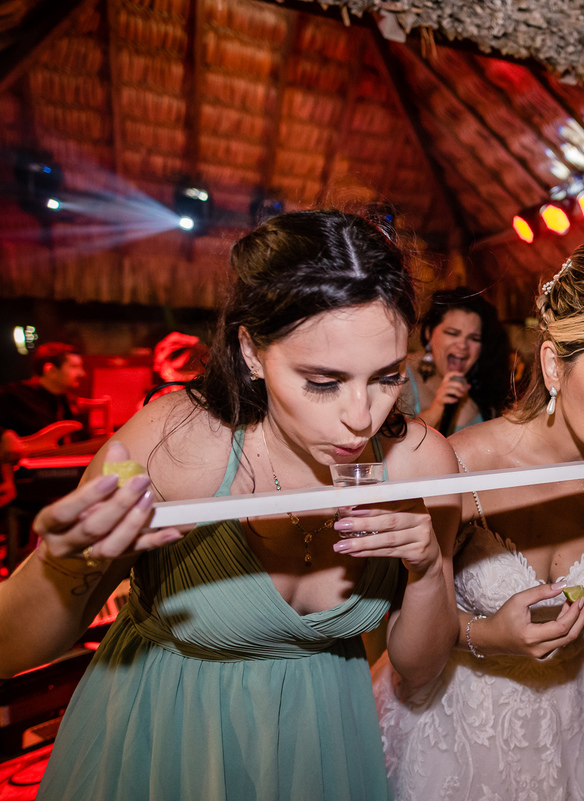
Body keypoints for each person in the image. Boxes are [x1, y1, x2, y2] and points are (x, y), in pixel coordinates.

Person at [0, 210, 460, 800]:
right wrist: (61, 565)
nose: (361, 416)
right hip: (165, 741)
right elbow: (11, 652)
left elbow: (421, 670)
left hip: (322, 747)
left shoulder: (421, 463)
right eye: (323, 381)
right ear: (251, 352)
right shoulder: (172, 444)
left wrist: (426, 570)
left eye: (387, 377)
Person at [373, 240, 584, 800]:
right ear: (553, 366)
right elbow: (411, 663)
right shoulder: (461, 468)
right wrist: (483, 635)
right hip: (458, 735)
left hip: (583, 727)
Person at [407, 288, 512, 434]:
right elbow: (387, 442)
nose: (463, 345)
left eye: (474, 338)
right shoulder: (402, 375)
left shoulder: (487, 391)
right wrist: (436, 410)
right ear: (428, 332)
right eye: (452, 333)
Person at [0, 342, 87, 439]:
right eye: (74, 366)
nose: (82, 374)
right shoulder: (13, 395)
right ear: (51, 370)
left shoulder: (68, 402)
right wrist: (4, 435)